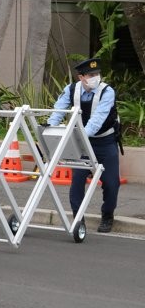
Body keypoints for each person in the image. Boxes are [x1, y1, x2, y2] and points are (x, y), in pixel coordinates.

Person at [47, 58, 121, 233]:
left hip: (105, 141)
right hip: (80, 143)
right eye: (91, 75)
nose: (95, 77)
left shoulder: (107, 92)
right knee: (77, 182)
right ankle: (78, 219)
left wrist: (75, 136)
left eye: (97, 74)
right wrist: (50, 128)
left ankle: (107, 215)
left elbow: (97, 120)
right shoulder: (71, 90)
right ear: (81, 77)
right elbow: (59, 111)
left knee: (111, 183)